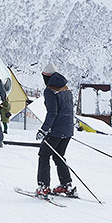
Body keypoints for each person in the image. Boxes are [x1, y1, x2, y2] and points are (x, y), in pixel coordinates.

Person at [35, 63, 76, 197]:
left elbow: (52, 113)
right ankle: (66, 185)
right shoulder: (66, 88)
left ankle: (44, 186)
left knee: (44, 155)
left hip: (56, 131)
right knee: (59, 156)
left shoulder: (50, 91)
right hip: (68, 129)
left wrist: (43, 130)